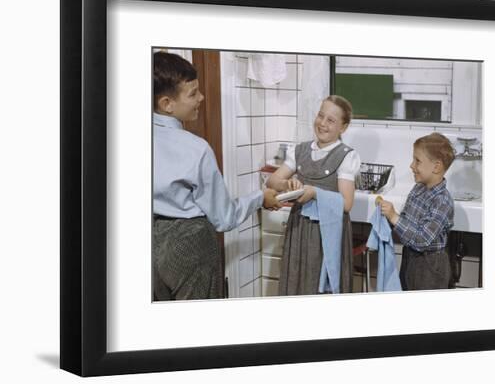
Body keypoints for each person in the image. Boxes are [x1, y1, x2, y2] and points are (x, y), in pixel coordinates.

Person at [152, 51, 281, 301]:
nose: (201, 97)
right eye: (192, 93)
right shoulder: (196, 148)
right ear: (166, 104)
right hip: (190, 244)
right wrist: (260, 197)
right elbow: (224, 218)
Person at [266, 95, 360, 295]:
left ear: (343, 128)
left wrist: (315, 192)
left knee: (321, 285)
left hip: (328, 232)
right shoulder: (300, 150)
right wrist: (287, 184)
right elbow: (272, 181)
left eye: (331, 120)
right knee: (297, 279)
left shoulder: (346, 156)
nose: (323, 123)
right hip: (299, 228)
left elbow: (347, 203)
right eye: (320, 116)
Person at [379, 132, 455, 290]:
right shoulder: (418, 189)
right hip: (410, 258)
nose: (411, 166)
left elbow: (422, 240)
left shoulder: (442, 201)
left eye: (417, 161)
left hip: (430, 266)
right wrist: (387, 219)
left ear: (436, 166)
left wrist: (394, 216)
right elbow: (406, 222)